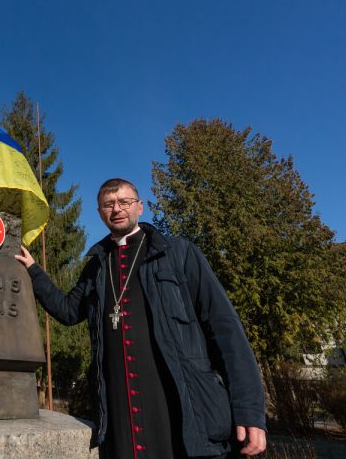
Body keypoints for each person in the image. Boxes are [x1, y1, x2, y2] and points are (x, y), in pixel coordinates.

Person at [15, 178, 266, 459]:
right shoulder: (97, 266)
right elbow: (68, 310)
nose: (117, 209)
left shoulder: (178, 253)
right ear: (99, 212)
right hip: (122, 417)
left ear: (140, 207)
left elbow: (224, 328)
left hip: (181, 409)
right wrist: (34, 271)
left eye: (125, 202)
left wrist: (249, 409)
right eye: (108, 204)